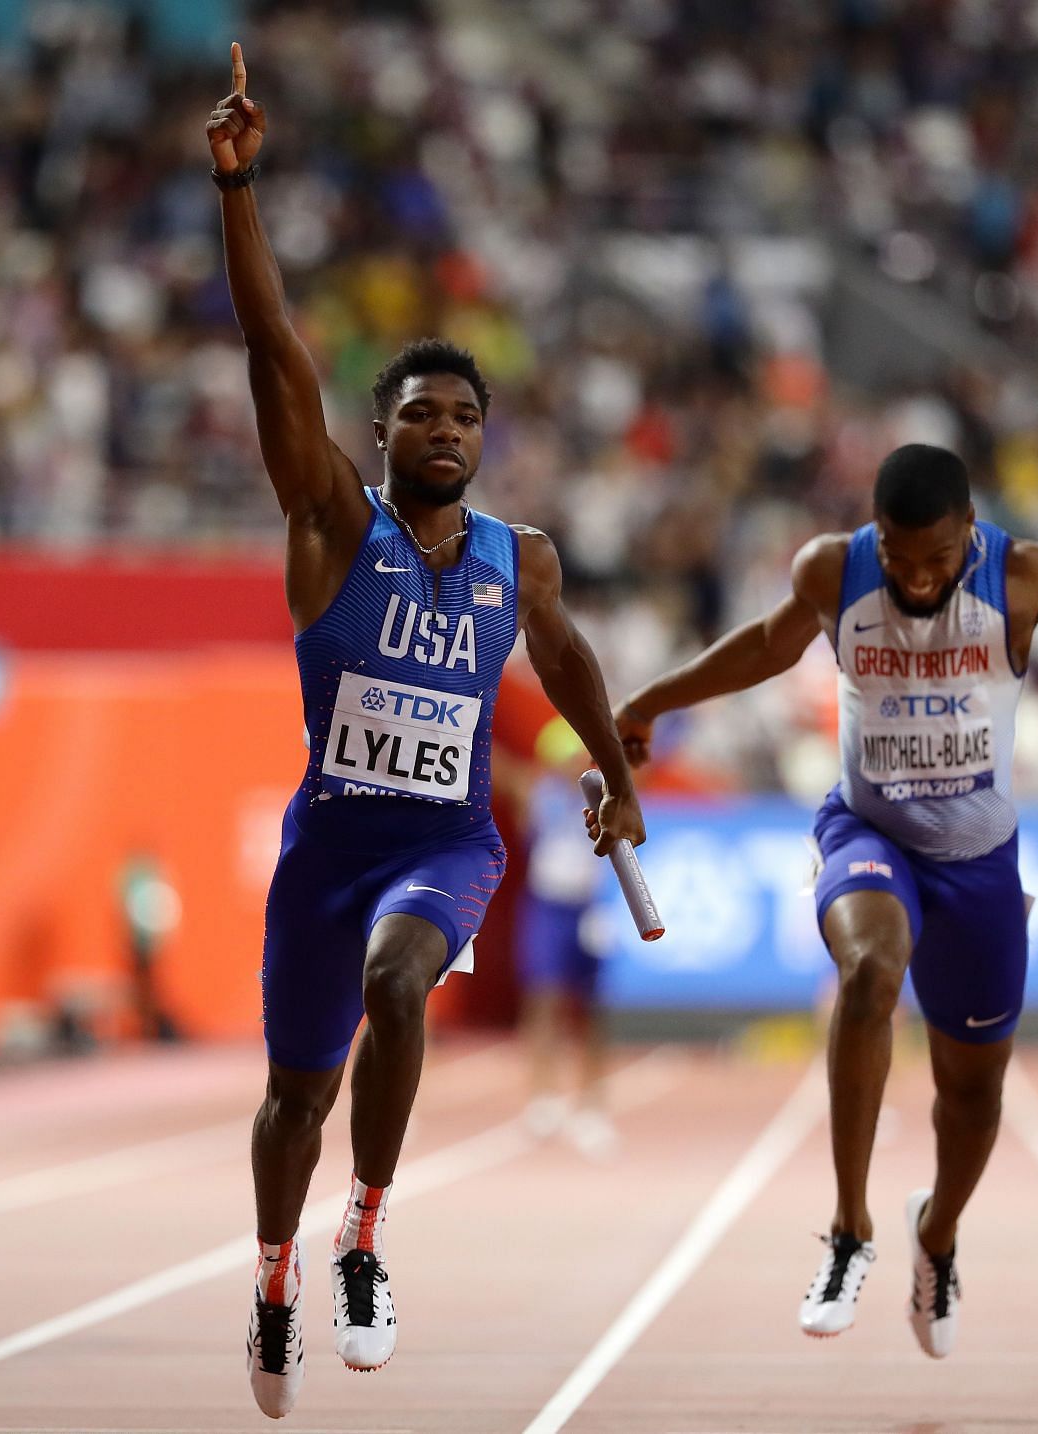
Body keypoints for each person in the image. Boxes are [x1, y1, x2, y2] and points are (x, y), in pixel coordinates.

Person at [208, 45, 646, 1419]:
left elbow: (568, 660)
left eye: (463, 412)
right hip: (327, 843)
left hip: (444, 842)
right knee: (292, 1095)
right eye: (418, 413)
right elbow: (275, 349)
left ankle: (366, 1234)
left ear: (483, 434)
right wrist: (240, 189)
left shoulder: (526, 558)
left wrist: (617, 779)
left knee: (403, 987)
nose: (443, 427)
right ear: (385, 434)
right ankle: (275, 1271)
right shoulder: (333, 521)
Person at [615, 444, 1038, 1358]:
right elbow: (766, 648)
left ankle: (936, 1234)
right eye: (899, 557)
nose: (918, 579)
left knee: (972, 1097)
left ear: (970, 532)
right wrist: (650, 701)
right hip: (868, 829)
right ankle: (850, 1232)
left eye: (936, 560)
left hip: (978, 861)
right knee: (868, 969)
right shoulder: (833, 568)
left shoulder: (1027, 574)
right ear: (875, 535)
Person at [514, 718, 617, 1158]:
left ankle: (592, 1104)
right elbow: (509, 780)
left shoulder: (603, 800)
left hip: (589, 909)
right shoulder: (540, 795)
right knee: (542, 999)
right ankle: (542, 1096)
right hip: (547, 907)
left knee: (592, 1009)